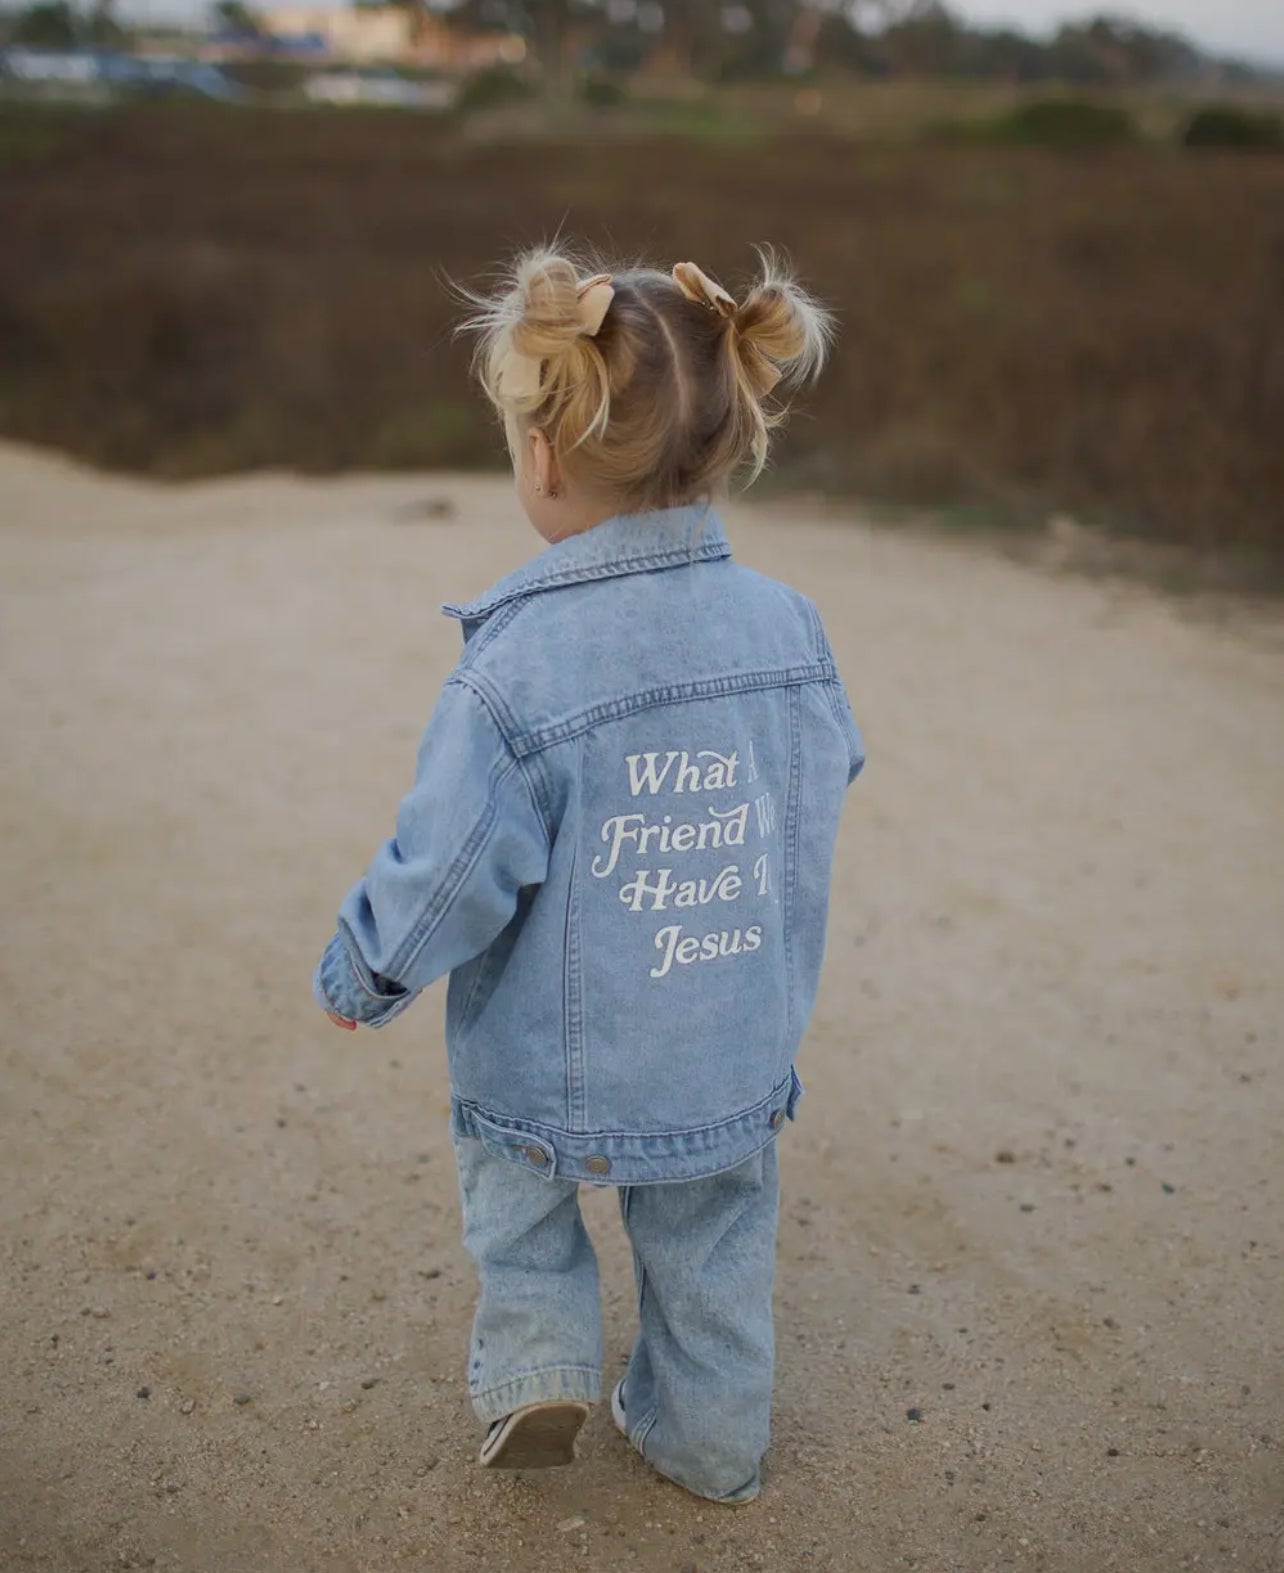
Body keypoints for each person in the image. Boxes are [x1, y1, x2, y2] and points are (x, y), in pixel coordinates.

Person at [313, 246, 865, 1505]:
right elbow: (829, 774)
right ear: (724, 445)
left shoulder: (520, 665)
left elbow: (450, 863)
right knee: (714, 1244)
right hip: (725, 1040)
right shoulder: (790, 629)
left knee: (519, 1196)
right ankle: (710, 1441)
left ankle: (539, 1365)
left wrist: (369, 969)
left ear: (545, 456)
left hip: (543, 1057)